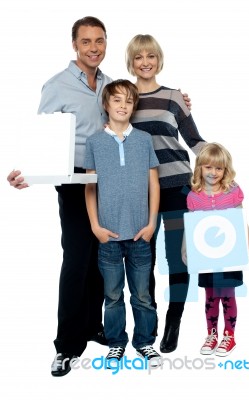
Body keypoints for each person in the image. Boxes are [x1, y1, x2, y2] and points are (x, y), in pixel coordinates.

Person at [6, 17, 191, 376]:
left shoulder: (109, 84)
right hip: (76, 180)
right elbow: (39, 135)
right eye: (86, 41)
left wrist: (178, 102)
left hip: (115, 182)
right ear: (74, 44)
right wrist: (25, 170)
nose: (94, 47)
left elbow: (136, 104)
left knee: (102, 259)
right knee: (77, 260)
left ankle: (99, 328)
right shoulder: (56, 85)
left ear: (106, 44)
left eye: (100, 41)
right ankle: (66, 345)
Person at [125, 34, 206, 353]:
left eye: (151, 56)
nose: (145, 62)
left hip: (177, 188)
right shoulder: (123, 98)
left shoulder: (174, 97)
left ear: (159, 59)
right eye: (138, 57)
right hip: (140, 192)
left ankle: (174, 321)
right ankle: (150, 321)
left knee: (178, 258)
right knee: (143, 259)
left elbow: (194, 141)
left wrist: (219, 160)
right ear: (130, 62)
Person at [84, 79, 161, 366]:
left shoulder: (143, 140)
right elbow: (90, 187)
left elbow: (153, 184)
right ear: (106, 105)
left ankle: (145, 342)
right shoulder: (94, 142)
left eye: (128, 100)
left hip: (141, 234)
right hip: (109, 236)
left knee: (142, 295)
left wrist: (152, 223)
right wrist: (95, 226)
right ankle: (116, 342)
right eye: (116, 100)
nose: (123, 105)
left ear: (134, 105)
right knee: (112, 296)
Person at [184, 142, 249, 356]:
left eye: (218, 168)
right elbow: (191, 227)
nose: (213, 172)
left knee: (227, 293)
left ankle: (229, 336)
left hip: (230, 254)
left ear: (225, 170)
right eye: (208, 167)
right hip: (206, 256)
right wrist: (186, 250)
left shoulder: (232, 191)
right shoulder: (194, 196)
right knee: (211, 295)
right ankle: (211, 334)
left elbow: (241, 220)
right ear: (200, 168)